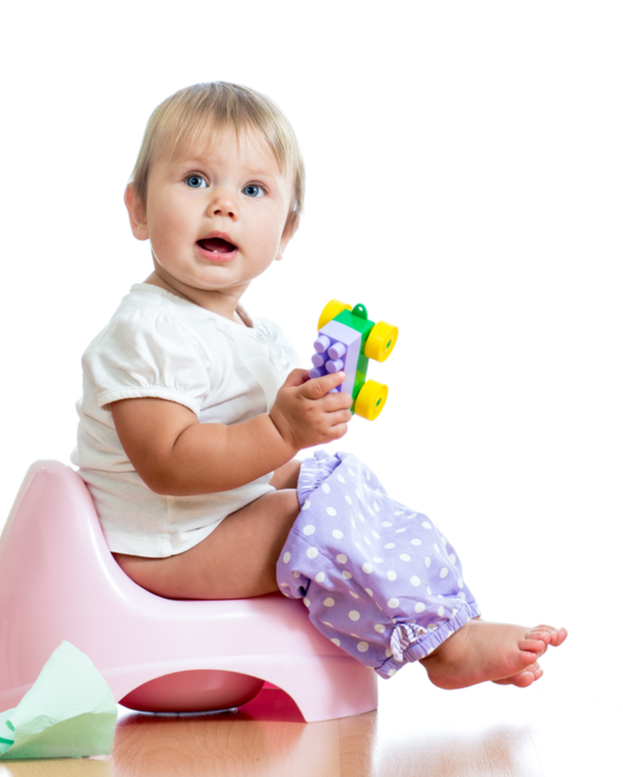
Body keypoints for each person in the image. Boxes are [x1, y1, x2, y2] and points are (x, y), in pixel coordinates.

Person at [73, 81, 565, 689]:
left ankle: (452, 618)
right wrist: (282, 430)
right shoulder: (147, 330)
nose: (223, 205)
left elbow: (264, 449)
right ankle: (445, 649)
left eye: (253, 190)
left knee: (340, 480)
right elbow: (169, 464)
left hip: (212, 516)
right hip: (166, 543)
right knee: (309, 520)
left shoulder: (257, 334)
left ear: (283, 236)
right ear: (139, 210)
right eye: (196, 180)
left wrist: (309, 413)